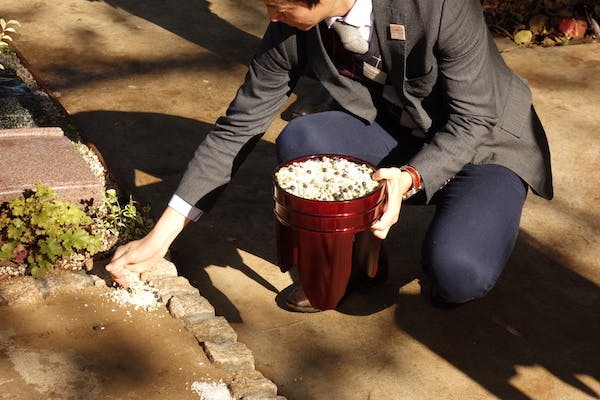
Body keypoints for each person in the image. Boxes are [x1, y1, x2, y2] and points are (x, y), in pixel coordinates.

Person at [106, 0, 553, 311]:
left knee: (458, 274)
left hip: (485, 145)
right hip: (398, 134)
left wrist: (412, 177)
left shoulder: (435, 4)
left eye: (280, 7)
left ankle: (456, 241)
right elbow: (238, 126)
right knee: (304, 143)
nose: (270, 16)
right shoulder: (290, 27)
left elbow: (473, 121)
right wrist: (160, 239)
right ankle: (357, 266)